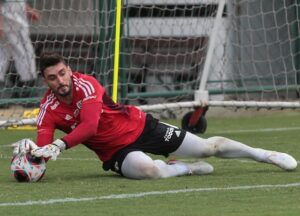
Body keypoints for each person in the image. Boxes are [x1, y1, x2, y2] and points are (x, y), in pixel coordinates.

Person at [12, 52, 297, 179]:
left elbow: (89, 126)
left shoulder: (87, 84)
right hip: (116, 154)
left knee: (209, 148)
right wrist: (34, 154)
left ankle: (264, 155)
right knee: (149, 171)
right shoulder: (48, 108)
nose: (60, 80)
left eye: (62, 73)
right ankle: (184, 169)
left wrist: (59, 145)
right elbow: (44, 142)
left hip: (142, 127)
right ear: (45, 81)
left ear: (69, 70)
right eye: (52, 77)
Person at [0, 0, 40, 99]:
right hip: (12, 21)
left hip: (12, 20)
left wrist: (29, 10)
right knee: (26, 55)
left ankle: (9, 93)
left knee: (3, 55)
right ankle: (28, 93)